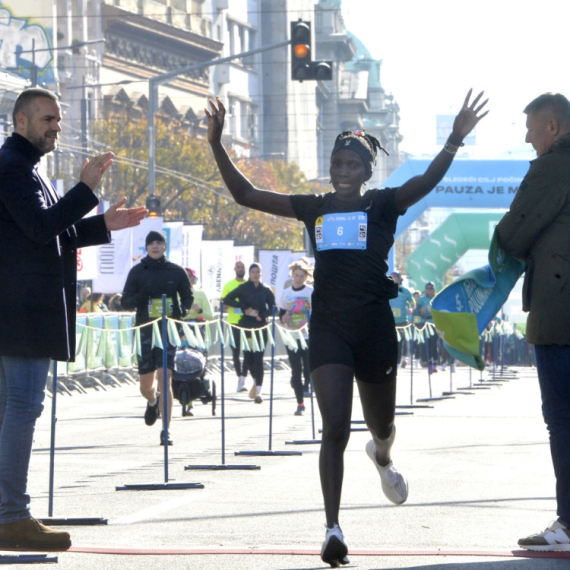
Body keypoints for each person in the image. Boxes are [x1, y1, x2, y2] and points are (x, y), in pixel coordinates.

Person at [206, 90, 487, 567]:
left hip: (375, 327)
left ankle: (381, 455)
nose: (342, 171)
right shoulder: (312, 207)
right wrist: (216, 144)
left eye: (352, 165)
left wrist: (454, 141)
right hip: (330, 330)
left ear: (365, 172)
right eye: (337, 163)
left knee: (381, 426)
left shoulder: (382, 205)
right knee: (334, 427)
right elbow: (246, 195)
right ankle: (332, 528)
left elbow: (426, 182)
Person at [0, 87, 146, 551]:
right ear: (21, 121)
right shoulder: (12, 169)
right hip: (20, 312)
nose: (56, 128)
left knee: (13, 408)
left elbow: (48, 232)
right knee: (22, 407)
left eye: (58, 121)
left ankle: (8, 511)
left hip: (20, 310)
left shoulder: (25, 170)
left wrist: (105, 225)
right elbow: (43, 228)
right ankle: (9, 515)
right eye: (47, 120)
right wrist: (86, 189)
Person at [496, 92, 570, 551]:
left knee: (562, 419)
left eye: (531, 129)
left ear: (553, 128)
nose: (527, 139)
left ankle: (567, 525)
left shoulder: (553, 166)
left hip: (561, 314)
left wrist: (509, 245)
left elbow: (513, 232)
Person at [121, 231, 193, 446]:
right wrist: (142, 297)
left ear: (165, 247)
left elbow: (187, 296)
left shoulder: (176, 271)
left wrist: (182, 309)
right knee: (146, 385)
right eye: (151, 243)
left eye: (159, 243)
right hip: (145, 329)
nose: (155, 246)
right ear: (146, 247)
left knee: (165, 377)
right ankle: (152, 402)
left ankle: (166, 430)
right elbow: (125, 302)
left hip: (167, 329)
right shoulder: (137, 272)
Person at [223, 263, 275, 404]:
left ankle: (259, 390)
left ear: (261, 273)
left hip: (260, 327)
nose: (255, 274)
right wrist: (243, 306)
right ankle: (255, 381)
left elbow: (274, 308)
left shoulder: (266, 289)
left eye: (258, 271)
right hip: (246, 326)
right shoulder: (244, 287)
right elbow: (227, 299)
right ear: (249, 274)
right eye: (253, 272)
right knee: (249, 359)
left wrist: (262, 314)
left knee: (259, 358)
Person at [279, 259, 314, 415]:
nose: (298, 278)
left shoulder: (311, 292)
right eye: (296, 275)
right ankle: (300, 403)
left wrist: (308, 320)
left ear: (306, 277)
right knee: (295, 370)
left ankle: (308, 384)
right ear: (292, 276)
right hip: (292, 336)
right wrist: (283, 319)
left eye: (301, 276)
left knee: (308, 366)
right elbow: (281, 313)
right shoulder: (286, 294)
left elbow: (318, 312)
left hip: (307, 336)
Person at [221, 261, 249, 392]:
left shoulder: (249, 284)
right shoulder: (229, 285)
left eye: (242, 267)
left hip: (248, 322)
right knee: (236, 352)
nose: (240, 269)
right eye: (238, 267)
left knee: (248, 352)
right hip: (233, 323)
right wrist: (235, 304)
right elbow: (223, 305)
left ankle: (244, 377)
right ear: (234, 269)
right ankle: (239, 378)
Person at [388, 272, 414, 368]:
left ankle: (402, 359)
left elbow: (412, 303)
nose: (393, 278)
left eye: (395, 277)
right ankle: (394, 361)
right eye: (391, 276)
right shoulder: (387, 289)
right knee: (392, 342)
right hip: (390, 320)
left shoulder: (405, 291)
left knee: (403, 341)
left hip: (403, 321)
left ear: (399, 279)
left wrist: (411, 309)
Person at [416, 282, 439, 373]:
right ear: (425, 289)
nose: (429, 290)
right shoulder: (422, 299)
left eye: (431, 288)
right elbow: (416, 310)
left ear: (434, 289)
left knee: (434, 344)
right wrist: (421, 310)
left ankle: (435, 364)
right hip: (425, 324)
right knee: (427, 345)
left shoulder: (437, 297)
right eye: (427, 288)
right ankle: (428, 364)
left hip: (435, 324)